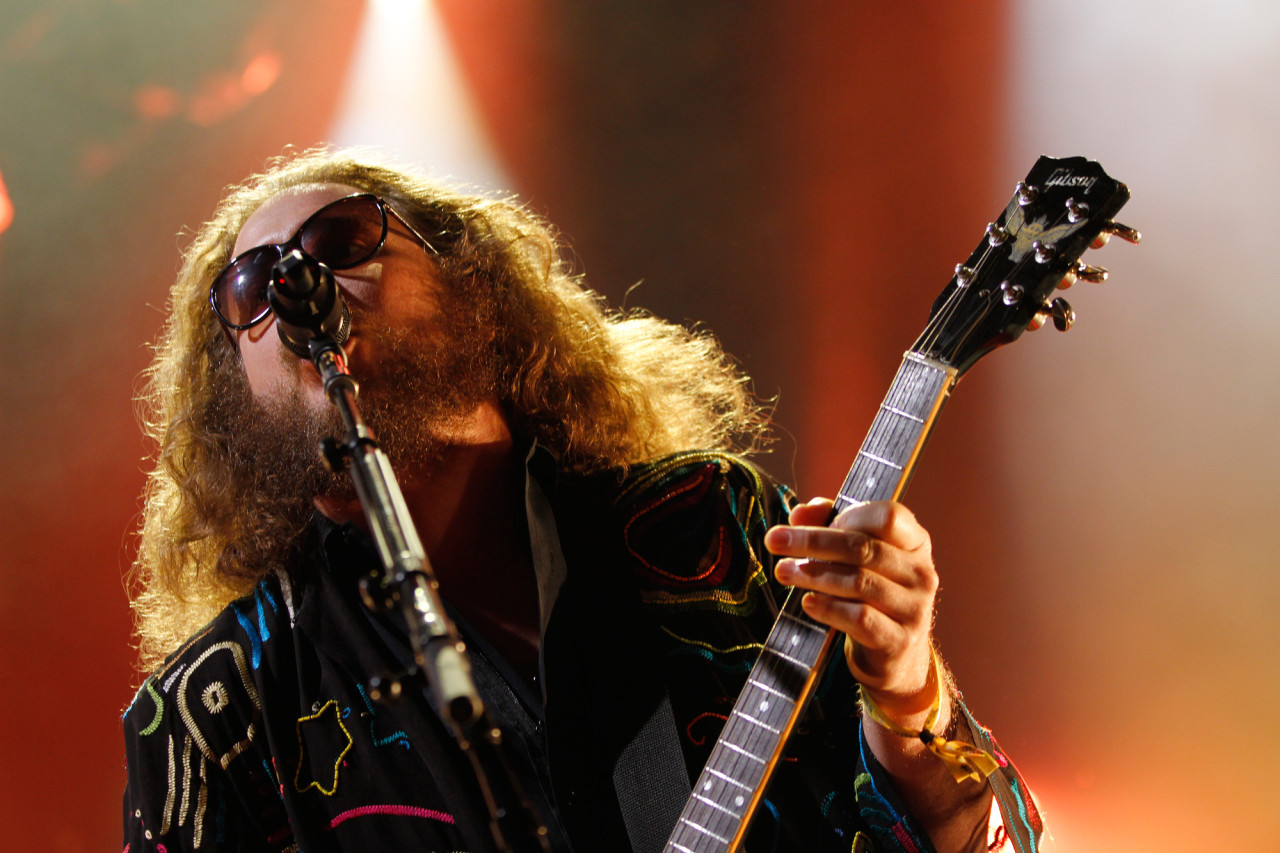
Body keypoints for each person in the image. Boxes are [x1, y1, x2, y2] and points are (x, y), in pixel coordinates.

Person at [122, 149, 1041, 853]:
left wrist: (909, 686)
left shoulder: (711, 531)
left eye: (340, 241)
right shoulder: (221, 715)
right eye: (249, 287)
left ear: (476, 289)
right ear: (235, 388)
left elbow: (996, 837)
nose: (295, 284)